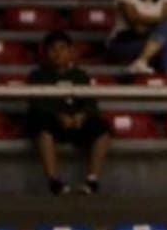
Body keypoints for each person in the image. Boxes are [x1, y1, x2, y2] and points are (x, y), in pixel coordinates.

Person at [26, 30, 111, 195]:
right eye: (53, 49)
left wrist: (82, 115)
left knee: (102, 128)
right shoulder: (37, 76)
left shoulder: (81, 76)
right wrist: (58, 115)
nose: (58, 53)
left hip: (77, 123)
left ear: (71, 52)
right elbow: (36, 103)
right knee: (41, 124)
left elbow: (91, 103)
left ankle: (92, 179)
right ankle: (54, 180)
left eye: (62, 48)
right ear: (46, 53)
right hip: (52, 123)